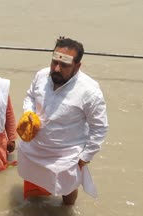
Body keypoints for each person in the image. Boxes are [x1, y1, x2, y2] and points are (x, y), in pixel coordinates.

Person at [16, 37, 108, 205]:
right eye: (54, 62)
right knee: (33, 184)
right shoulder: (41, 75)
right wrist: (28, 113)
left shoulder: (90, 91)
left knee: (68, 189)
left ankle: (66, 212)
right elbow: (30, 96)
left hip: (66, 154)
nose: (56, 69)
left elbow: (99, 128)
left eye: (64, 65)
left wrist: (86, 156)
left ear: (77, 66)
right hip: (35, 146)